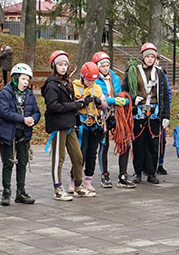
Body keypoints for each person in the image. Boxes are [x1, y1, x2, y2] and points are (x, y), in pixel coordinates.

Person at [42, 50, 93, 199]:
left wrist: (81, 103)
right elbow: (53, 106)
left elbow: (68, 104)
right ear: (54, 66)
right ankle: (58, 189)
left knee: (78, 156)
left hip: (70, 124)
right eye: (60, 64)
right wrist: (74, 105)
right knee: (59, 158)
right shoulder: (52, 85)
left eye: (65, 64)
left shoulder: (66, 83)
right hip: (58, 125)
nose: (63, 67)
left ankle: (78, 185)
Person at [0, 63, 40, 205]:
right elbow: (4, 111)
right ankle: (6, 192)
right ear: (15, 78)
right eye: (23, 79)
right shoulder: (6, 92)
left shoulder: (29, 94)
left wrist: (33, 119)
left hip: (24, 134)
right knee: (8, 163)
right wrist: (22, 119)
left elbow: (37, 111)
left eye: (27, 80)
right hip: (8, 133)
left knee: (22, 162)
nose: (26, 83)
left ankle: (20, 192)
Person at [127, 45, 170, 185]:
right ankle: (138, 172)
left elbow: (164, 95)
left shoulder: (160, 73)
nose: (150, 59)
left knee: (153, 144)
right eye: (148, 56)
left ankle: (151, 172)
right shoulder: (134, 72)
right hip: (139, 111)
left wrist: (165, 116)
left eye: (153, 57)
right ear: (142, 57)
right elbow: (125, 90)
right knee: (138, 143)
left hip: (155, 112)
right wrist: (133, 98)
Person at [92, 52, 129, 188]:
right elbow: (101, 98)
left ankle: (123, 175)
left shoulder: (115, 78)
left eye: (107, 65)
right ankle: (105, 174)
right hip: (102, 115)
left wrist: (123, 100)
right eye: (103, 66)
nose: (106, 68)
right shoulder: (95, 79)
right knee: (104, 144)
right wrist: (116, 100)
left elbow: (119, 93)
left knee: (125, 142)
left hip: (115, 115)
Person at [74, 62, 106, 193]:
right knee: (79, 153)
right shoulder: (75, 87)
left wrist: (100, 103)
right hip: (82, 124)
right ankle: (75, 179)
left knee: (92, 153)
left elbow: (104, 105)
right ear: (82, 77)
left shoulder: (97, 88)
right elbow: (72, 104)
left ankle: (88, 179)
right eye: (88, 80)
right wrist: (81, 103)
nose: (90, 82)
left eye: (93, 80)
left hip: (94, 125)